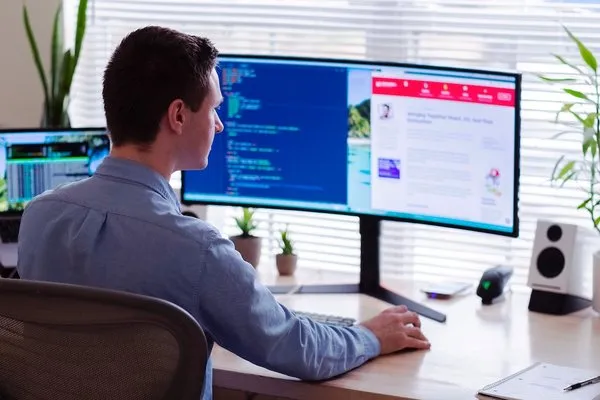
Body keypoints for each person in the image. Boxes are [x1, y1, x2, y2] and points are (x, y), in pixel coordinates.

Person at [16, 26, 430, 399]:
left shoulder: (39, 217)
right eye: (213, 109)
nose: (219, 125)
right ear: (178, 115)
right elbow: (294, 347)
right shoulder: (196, 250)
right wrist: (371, 337)